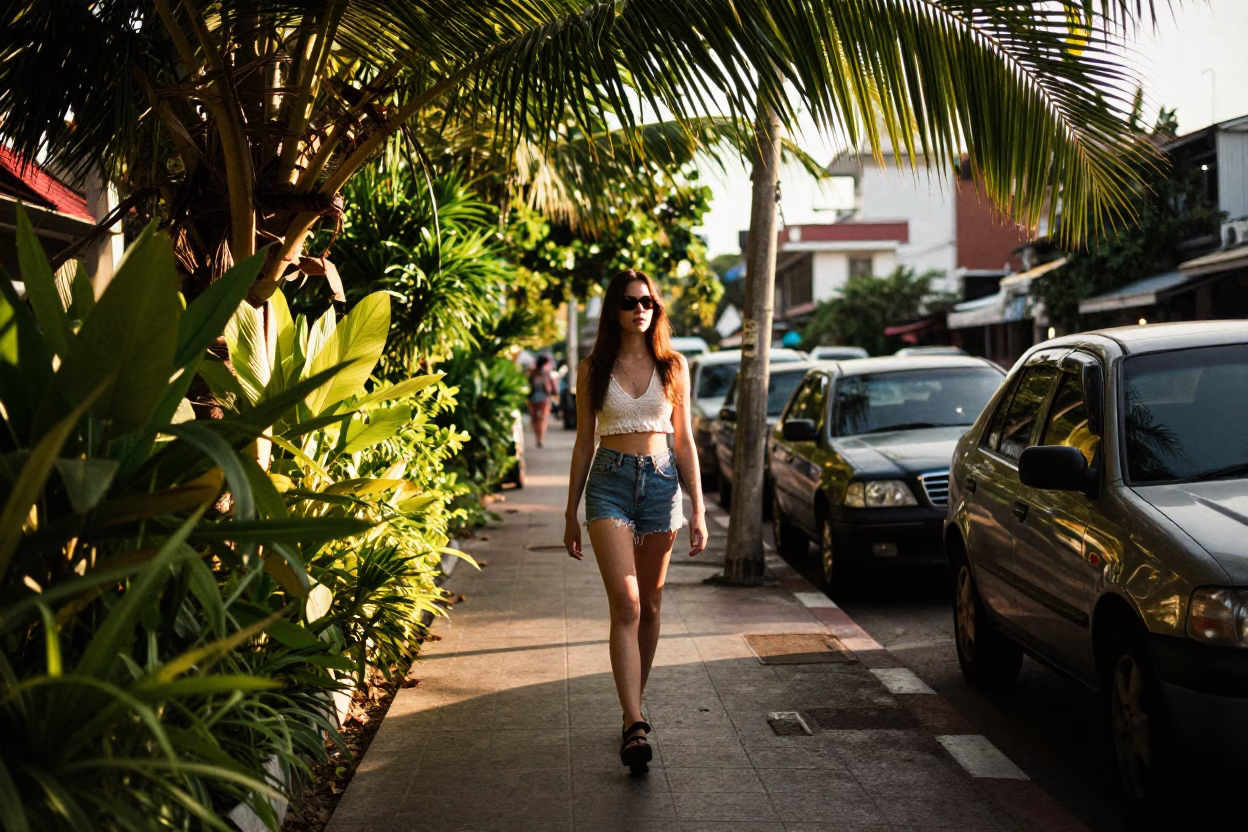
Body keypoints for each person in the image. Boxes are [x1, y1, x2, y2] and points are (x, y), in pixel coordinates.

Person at [563, 269, 709, 774]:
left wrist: (700, 507)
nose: (640, 309)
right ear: (614, 311)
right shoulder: (593, 368)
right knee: (625, 603)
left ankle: (634, 706)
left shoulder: (674, 366)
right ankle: (633, 722)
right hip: (609, 482)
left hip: (662, 484)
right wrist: (569, 511)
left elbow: (685, 440)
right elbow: (584, 442)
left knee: (649, 605)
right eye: (629, 303)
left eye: (648, 302)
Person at [527, 354, 558, 448]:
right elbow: (554, 388)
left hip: (532, 399)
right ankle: (541, 439)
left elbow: (527, 386)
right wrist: (555, 394)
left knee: (534, 419)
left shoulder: (532, 373)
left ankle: (538, 437)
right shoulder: (547, 373)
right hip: (544, 399)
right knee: (543, 419)